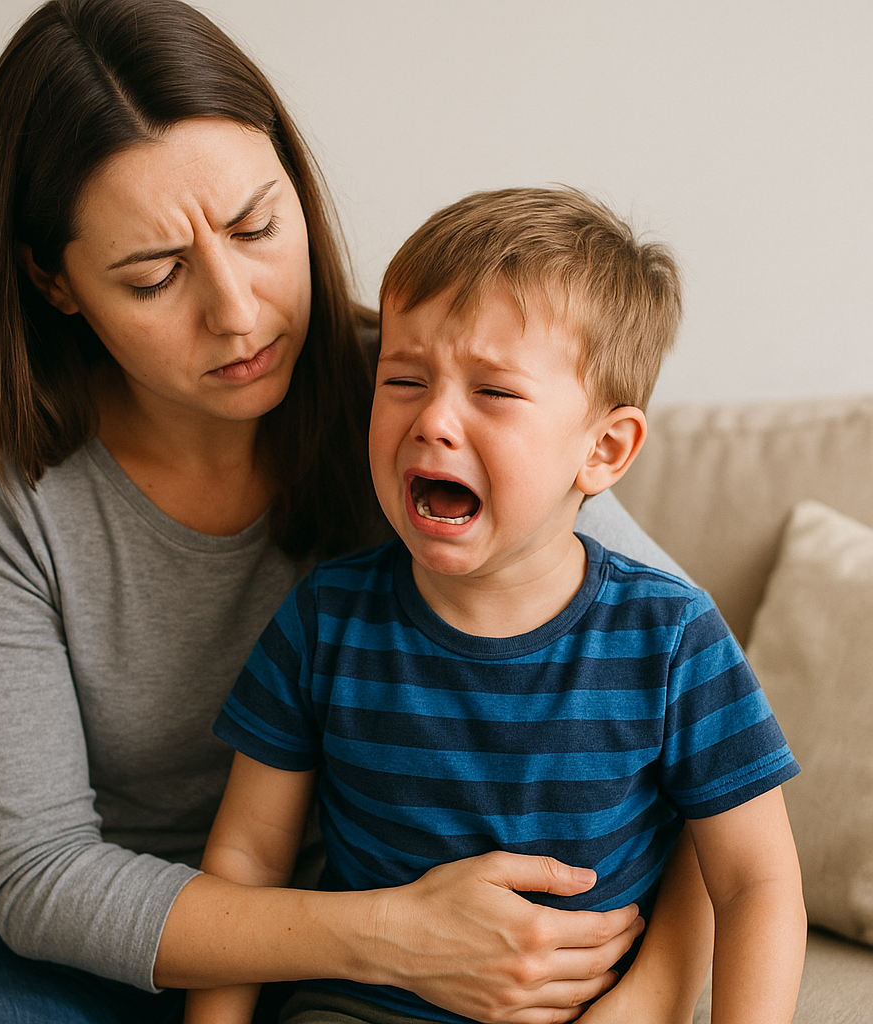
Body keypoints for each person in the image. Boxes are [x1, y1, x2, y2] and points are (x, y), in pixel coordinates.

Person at [0, 2, 712, 1021]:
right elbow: (39, 874)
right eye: (155, 275)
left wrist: (651, 996)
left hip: (347, 982)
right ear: (55, 281)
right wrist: (394, 936)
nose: (239, 311)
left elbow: (705, 726)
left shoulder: (420, 407)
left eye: (256, 228)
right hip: (62, 969)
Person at [185, 188, 808, 1024]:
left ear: (604, 449)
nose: (433, 420)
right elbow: (246, 859)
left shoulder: (672, 639)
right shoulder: (324, 620)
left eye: (495, 393)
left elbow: (757, 883)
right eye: (404, 379)